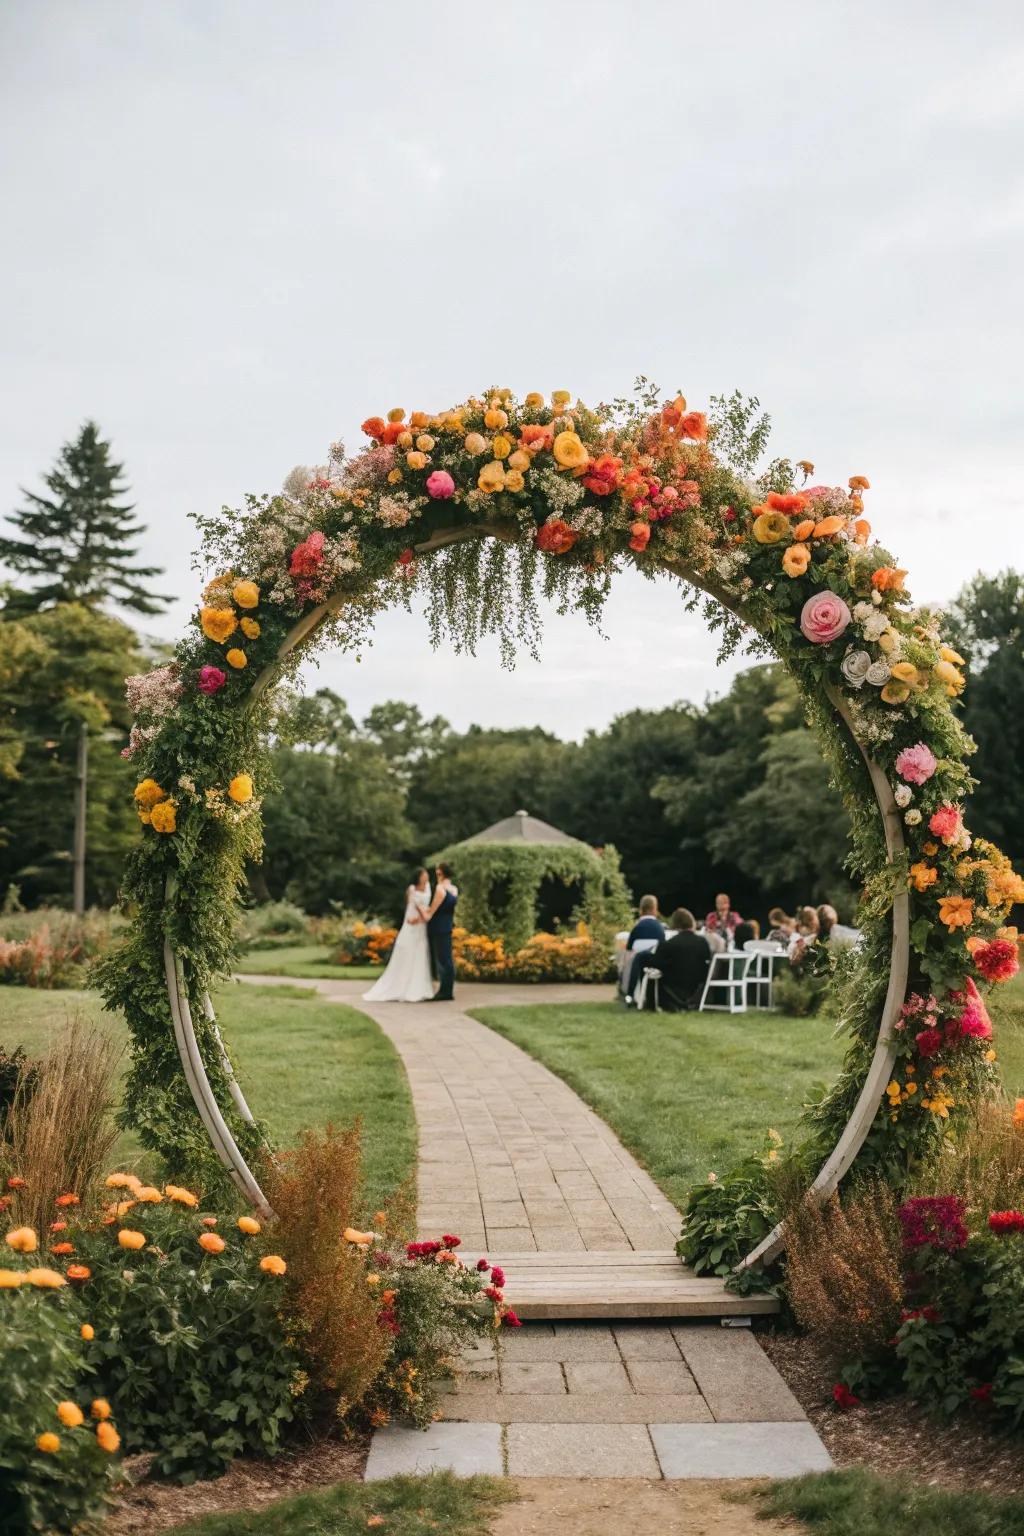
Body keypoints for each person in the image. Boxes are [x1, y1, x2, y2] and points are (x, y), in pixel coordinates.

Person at [363, 868, 434, 1002]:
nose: (426, 878)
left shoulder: (429, 888)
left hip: (421, 926)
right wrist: (419, 918)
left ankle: (420, 988)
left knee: (420, 955)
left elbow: (428, 908)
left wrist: (422, 919)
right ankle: (404, 987)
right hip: (412, 924)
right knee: (408, 953)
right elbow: (413, 907)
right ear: (418, 877)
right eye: (424, 876)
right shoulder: (412, 889)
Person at [628, 908, 711, 1011]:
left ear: (675, 924)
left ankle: (641, 999)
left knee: (643, 957)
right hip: (696, 987)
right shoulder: (703, 943)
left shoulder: (668, 945)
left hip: (673, 988)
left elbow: (656, 963)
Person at [425, 862, 459, 1001]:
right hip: (448, 925)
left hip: (438, 926)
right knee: (447, 959)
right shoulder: (454, 889)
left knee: (442, 959)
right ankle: (448, 989)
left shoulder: (440, 888)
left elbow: (432, 910)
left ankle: (445, 992)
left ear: (440, 872)